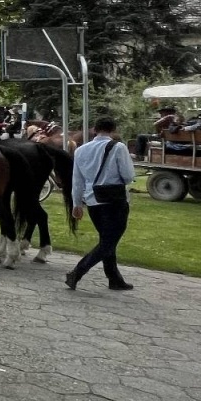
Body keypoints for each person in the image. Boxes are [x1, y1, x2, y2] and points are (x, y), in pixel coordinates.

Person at [66, 117, 135, 292]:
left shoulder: (81, 150)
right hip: (114, 200)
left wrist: (76, 203)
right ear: (113, 130)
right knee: (109, 242)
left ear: (95, 130)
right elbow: (127, 176)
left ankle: (114, 278)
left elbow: (77, 180)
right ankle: (77, 272)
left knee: (107, 240)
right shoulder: (118, 148)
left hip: (92, 199)